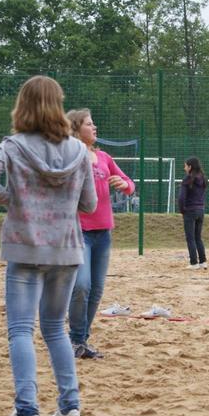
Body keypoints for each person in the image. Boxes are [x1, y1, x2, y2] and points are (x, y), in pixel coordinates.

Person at [0, 76, 97, 416]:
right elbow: (89, 204)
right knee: (55, 330)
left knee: (20, 331)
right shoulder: (78, 150)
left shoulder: (12, 145)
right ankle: (69, 407)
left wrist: (13, 199)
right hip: (67, 249)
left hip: (26, 248)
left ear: (23, 104)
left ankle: (27, 414)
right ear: (58, 104)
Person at [66, 109, 135, 359]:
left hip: (103, 233)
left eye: (94, 123)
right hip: (78, 232)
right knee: (81, 286)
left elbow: (129, 183)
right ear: (75, 129)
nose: (94, 128)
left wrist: (124, 184)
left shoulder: (105, 157)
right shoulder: (69, 157)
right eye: (89, 124)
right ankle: (75, 339)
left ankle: (81, 340)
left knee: (95, 290)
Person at [178, 156, 208, 269]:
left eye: (185, 165)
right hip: (201, 210)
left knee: (190, 238)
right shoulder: (203, 178)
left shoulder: (187, 179)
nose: (184, 168)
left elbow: (181, 197)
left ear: (190, 166)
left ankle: (194, 263)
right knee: (198, 237)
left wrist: (182, 210)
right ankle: (203, 262)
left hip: (190, 210)